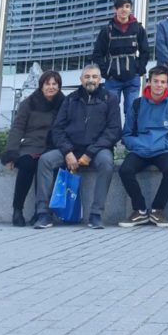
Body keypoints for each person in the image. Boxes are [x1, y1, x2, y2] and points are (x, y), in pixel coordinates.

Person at [34, 64, 121, 230]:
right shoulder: (70, 99)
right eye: (87, 77)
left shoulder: (110, 99)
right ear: (81, 80)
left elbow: (114, 130)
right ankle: (43, 213)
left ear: (100, 79)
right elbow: (57, 129)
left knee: (106, 163)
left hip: (98, 150)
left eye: (94, 77)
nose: (91, 80)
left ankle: (96, 214)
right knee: (45, 160)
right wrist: (67, 152)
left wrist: (90, 153)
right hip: (71, 148)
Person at [118, 65, 168, 227]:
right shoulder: (136, 104)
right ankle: (140, 210)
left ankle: (157, 210)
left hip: (163, 150)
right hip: (141, 149)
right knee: (125, 170)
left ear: (167, 84)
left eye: (163, 82)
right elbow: (127, 134)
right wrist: (141, 146)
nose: (159, 85)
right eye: (156, 81)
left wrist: (160, 145)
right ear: (148, 82)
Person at [1, 70, 65, 227]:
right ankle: (17, 209)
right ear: (41, 86)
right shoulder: (28, 103)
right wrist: (11, 154)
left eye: (54, 84)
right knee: (28, 164)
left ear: (59, 86)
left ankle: (40, 211)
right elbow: (17, 129)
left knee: (45, 164)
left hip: (52, 146)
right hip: (30, 146)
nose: (51, 87)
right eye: (47, 84)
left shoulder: (65, 103)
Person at [92, 0, 149, 117]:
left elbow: (145, 51)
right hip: (112, 79)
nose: (124, 9)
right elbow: (97, 54)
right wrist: (105, 72)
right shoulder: (107, 30)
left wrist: (140, 69)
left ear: (131, 9)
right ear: (115, 9)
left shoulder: (138, 29)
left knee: (132, 112)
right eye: (121, 7)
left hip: (132, 77)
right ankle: (112, 136)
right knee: (110, 111)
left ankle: (129, 136)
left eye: (127, 6)